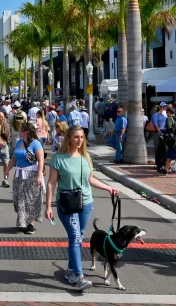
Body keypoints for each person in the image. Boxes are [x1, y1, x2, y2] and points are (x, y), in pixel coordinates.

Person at [45, 125, 119, 291]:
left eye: (82, 137)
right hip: (67, 205)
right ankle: (79, 277)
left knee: (78, 237)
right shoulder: (59, 159)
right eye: (76, 137)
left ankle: (71, 271)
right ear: (69, 138)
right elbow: (51, 183)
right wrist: (48, 206)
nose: (79, 140)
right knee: (75, 237)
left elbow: (90, 179)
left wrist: (109, 188)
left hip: (86, 203)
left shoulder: (85, 157)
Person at [5, 121, 45, 234]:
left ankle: (30, 224)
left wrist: (39, 175)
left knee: (30, 200)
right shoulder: (19, 142)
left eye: (21, 129)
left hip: (31, 175)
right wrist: (7, 169)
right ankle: (23, 221)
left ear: (26, 131)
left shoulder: (36, 144)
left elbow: (41, 161)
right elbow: (14, 158)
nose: (19, 130)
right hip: (19, 175)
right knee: (19, 200)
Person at [151, 103, 168, 172]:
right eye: (164, 106)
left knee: (163, 149)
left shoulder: (163, 115)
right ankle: (158, 163)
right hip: (158, 133)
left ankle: (163, 163)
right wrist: (159, 131)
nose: (165, 108)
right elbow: (155, 124)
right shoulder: (155, 115)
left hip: (163, 133)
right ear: (161, 107)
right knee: (158, 149)